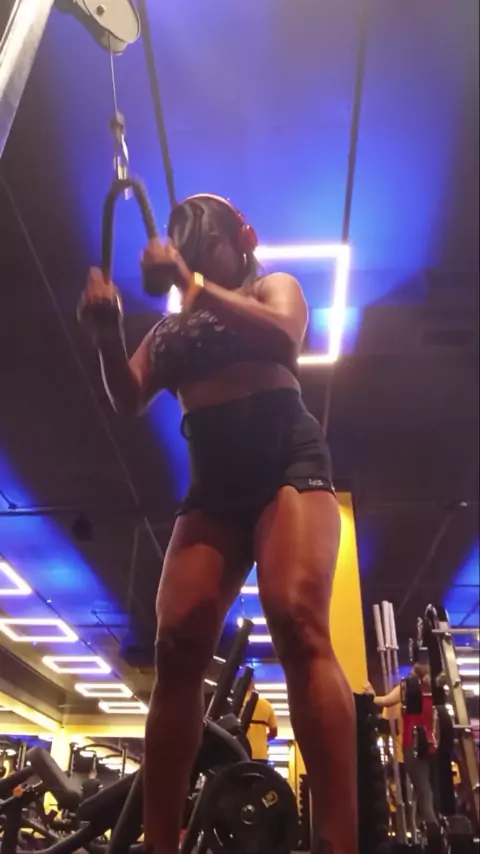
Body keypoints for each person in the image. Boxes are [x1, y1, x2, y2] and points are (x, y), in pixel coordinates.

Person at [78, 193, 357, 854]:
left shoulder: (272, 288)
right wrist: (107, 332)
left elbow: (284, 335)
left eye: (207, 249)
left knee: (298, 620)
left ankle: (339, 842)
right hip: (214, 483)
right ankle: (160, 844)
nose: (196, 260)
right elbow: (127, 396)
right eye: (188, 253)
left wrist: (190, 281)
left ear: (243, 240)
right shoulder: (168, 334)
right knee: (176, 644)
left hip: (286, 461)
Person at [365, 663, 440, 832]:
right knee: (424, 792)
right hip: (428, 747)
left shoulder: (407, 689)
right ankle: (426, 827)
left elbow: (384, 702)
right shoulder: (430, 693)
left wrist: (371, 695)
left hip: (409, 749)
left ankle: (430, 829)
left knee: (419, 793)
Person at [244, 678, 278, 762]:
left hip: (241, 751)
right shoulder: (266, 704)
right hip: (260, 754)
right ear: (253, 684)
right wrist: (262, 739)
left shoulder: (236, 703)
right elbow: (274, 731)